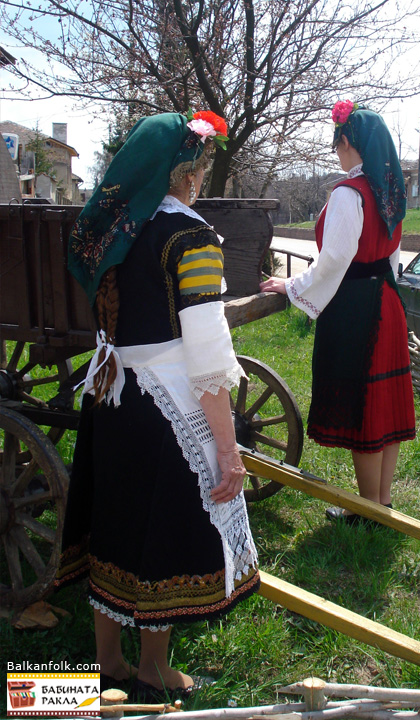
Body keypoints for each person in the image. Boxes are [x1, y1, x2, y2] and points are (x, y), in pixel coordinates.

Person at [55, 111, 259, 700]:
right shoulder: (188, 236)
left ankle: (102, 665)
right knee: (162, 532)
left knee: (113, 525)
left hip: (110, 399)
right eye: (197, 166)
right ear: (185, 171)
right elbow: (208, 354)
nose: (198, 177)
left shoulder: (108, 233)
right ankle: (153, 670)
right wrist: (227, 448)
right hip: (165, 409)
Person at [260, 102, 415, 524]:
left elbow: (335, 259)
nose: (337, 155)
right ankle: (380, 502)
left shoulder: (350, 193)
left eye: (337, 146)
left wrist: (290, 285)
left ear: (347, 142)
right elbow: (393, 256)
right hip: (385, 300)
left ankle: (367, 510)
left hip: (358, 311)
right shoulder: (390, 191)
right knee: (382, 402)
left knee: (365, 406)